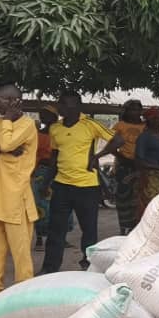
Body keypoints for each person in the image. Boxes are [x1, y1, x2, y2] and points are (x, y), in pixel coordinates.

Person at [41, 91, 124, 273]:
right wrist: (46, 182)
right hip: (61, 185)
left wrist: (98, 156)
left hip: (87, 186)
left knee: (89, 230)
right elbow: (54, 157)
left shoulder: (90, 125)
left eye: (64, 104)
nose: (61, 108)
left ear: (76, 106)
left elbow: (118, 139)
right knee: (56, 230)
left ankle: (88, 266)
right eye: (60, 104)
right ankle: (49, 268)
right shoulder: (56, 128)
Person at [0, 85, 38, 302]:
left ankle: (24, 288)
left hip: (15, 198)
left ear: (14, 102)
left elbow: (7, 143)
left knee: (20, 249)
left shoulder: (27, 125)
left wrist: (6, 127)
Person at [111, 99, 145, 235]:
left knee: (139, 198)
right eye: (132, 109)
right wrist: (122, 158)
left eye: (138, 109)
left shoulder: (146, 127)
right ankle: (123, 228)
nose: (135, 112)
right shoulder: (120, 126)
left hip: (142, 166)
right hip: (123, 165)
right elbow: (111, 146)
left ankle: (137, 229)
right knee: (123, 197)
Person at [135, 107, 159, 217]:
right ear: (150, 120)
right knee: (150, 206)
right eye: (157, 118)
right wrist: (158, 167)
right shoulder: (145, 137)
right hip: (150, 179)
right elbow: (138, 160)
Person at [32, 106, 58, 250]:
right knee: (40, 205)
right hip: (41, 173)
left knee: (59, 205)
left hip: (60, 172)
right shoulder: (37, 135)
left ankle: (59, 237)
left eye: (46, 115)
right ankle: (40, 238)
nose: (43, 118)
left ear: (54, 117)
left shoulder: (60, 132)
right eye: (41, 115)